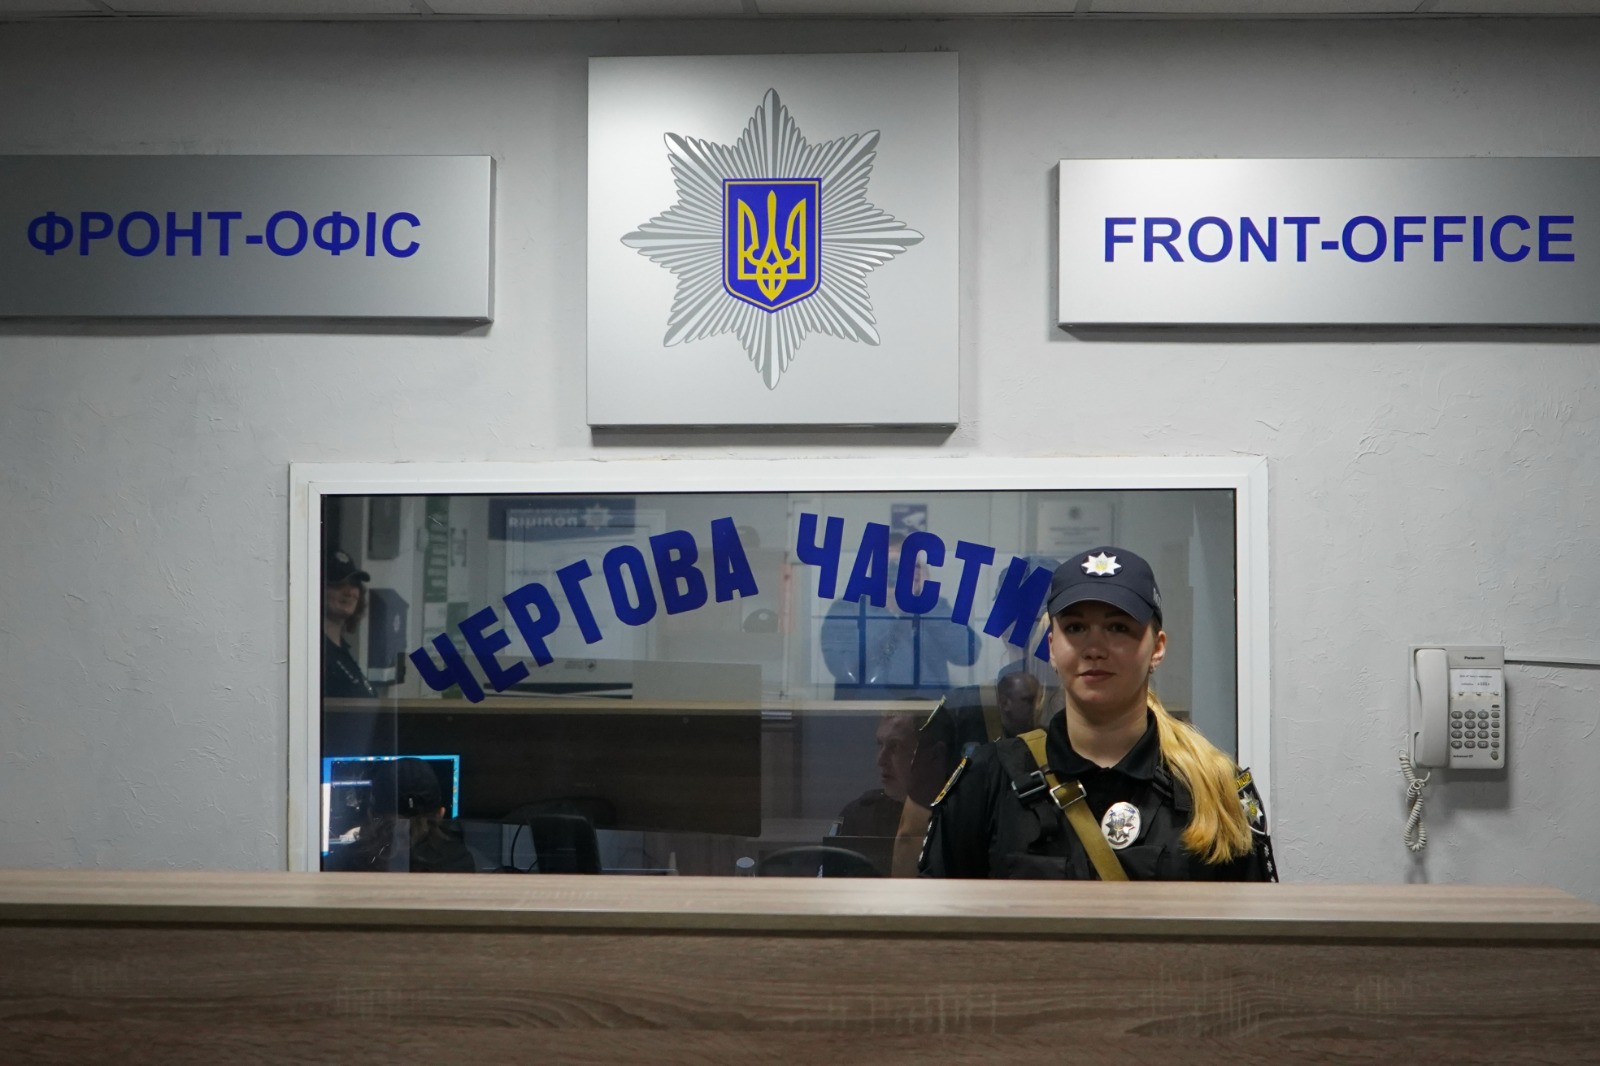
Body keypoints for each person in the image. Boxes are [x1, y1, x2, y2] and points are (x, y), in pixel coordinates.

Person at [919, 546, 1276, 881]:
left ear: (1157, 648)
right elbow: (940, 918)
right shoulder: (989, 780)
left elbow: (1253, 923)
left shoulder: (1214, 788)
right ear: (1052, 648)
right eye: (1075, 628)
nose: (1094, 648)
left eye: (1118, 628)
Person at [819, 532, 978, 701]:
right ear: (873, 571)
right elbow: (843, 668)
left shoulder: (935, 608)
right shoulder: (848, 609)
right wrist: (885, 605)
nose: (899, 572)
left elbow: (967, 654)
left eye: (912, 565)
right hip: (864, 711)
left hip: (926, 712)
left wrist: (927, 601)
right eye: (891, 566)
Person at [323, 548, 377, 699]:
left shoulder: (342, 650)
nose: (349, 592)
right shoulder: (314, 651)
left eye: (354, 584)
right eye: (338, 584)